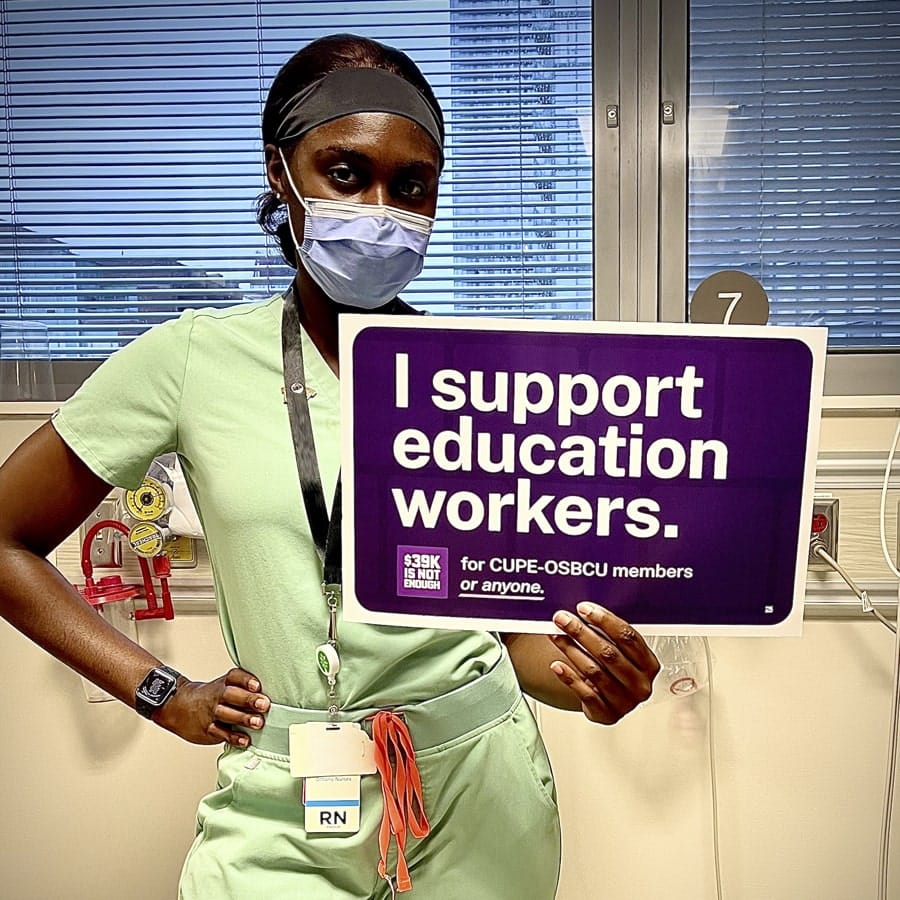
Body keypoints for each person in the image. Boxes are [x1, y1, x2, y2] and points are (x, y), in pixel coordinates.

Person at [0, 33, 659, 899]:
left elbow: (512, 635)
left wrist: (591, 680)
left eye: (411, 185)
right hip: (288, 792)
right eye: (346, 174)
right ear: (280, 174)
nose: (381, 211)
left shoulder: (487, 376)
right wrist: (160, 691)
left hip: (479, 787)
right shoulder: (192, 359)